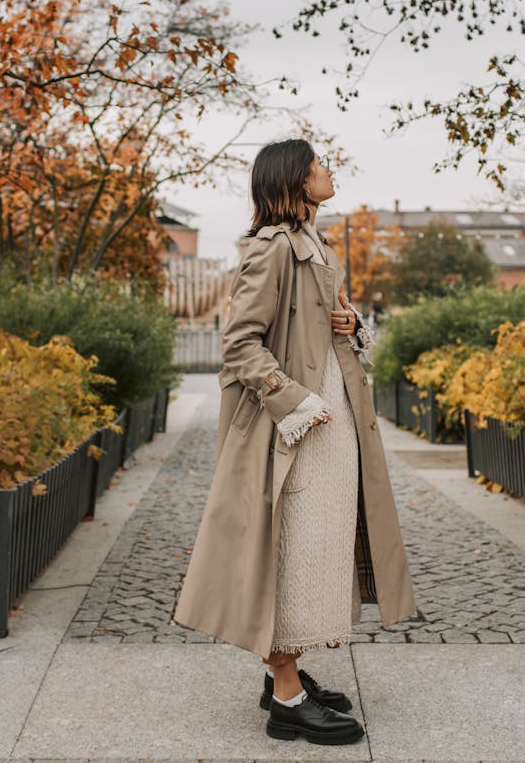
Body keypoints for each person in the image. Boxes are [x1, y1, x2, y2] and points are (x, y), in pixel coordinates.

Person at [173, 138, 424, 745]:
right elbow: (240, 345)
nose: (329, 170)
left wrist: (351, 324)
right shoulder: (272, 248)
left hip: (329, 424)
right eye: (319, 164)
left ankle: (281, 676)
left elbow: (319, 335)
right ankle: (286, 695)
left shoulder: (316, 245)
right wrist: (294, 402)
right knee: (287, 553)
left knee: (316, 549)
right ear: (296, 179)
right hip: (293, 431)